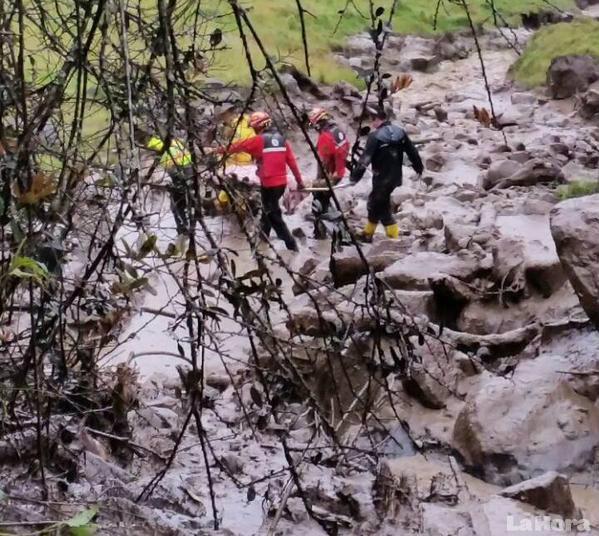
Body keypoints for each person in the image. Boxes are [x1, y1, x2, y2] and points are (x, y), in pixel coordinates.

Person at [215, 111, 305, 251]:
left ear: (257, 127)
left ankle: (291, 246)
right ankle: (264, 238)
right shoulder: (282, 140)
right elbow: (292, 162)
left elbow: (237, 146)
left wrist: (216, 150)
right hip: (280, 184)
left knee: (274, 216)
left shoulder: (259, 140)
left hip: (269, 184)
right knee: (266, 210)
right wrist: (299, 182)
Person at [349, 108, 423, 240]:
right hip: (396, 177)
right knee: (378, 203)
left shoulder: (375, 137)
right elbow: (412, 152)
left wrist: (354, 177)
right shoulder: (400, 132)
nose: (372, 125)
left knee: (377, 205)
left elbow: (364, 160)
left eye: (373, 121)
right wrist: (419, 168)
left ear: (378, 120)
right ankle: (369, 232)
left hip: (381, 178)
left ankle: (392, 236)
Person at [135, 129, 193, 235]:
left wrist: (145, 178)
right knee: (185, 201)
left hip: (179, 171)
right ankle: (187, 227)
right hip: (188, 168)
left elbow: (149, 166)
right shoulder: (164, 139)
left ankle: (184, 230)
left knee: (176, 205)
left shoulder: (152, 145)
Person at [308, 107, 350, 239]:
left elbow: (323, 162)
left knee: (319, 202)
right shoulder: (338, 131)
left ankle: (324, 234)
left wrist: (317, 182)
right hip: (339, 172)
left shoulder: (325, 137)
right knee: (325, 200)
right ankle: (332, 231)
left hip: (331, 174)